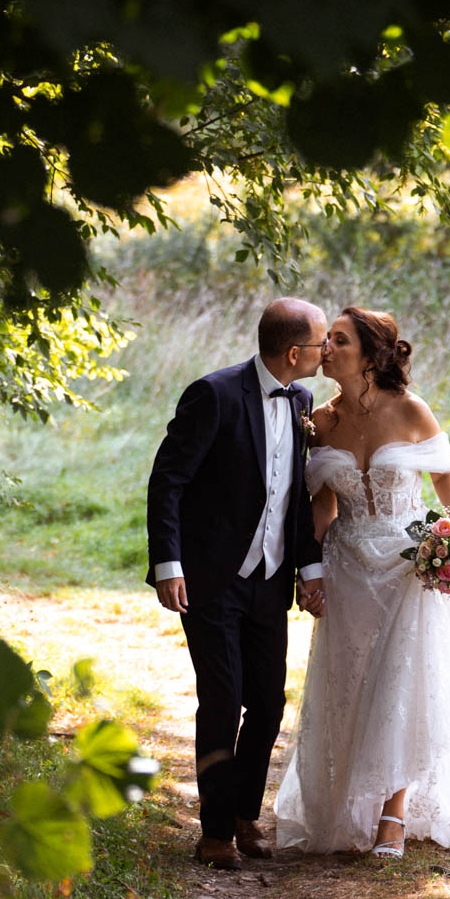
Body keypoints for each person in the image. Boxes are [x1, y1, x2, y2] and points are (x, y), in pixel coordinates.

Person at [273, 306, 450, 857]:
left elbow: (448, 484)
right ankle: (347, 803)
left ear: (370, 352)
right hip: (346, 568)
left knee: (399, 683)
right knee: (351, 682)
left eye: (338, 339)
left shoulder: (410, 411)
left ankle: (393, 813)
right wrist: (303, 570)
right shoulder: (322, 421)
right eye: (325, 339)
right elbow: (323, 505)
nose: (325, 348)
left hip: (408, 566)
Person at [146, 299, 328, 869]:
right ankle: (215, 830)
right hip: (210, 580)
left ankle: (246, 813)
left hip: (270, 581)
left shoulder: (302, 400)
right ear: (294, 351)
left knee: (269, 704)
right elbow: (167, 481)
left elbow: (293, 496)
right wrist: (168, 564)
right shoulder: (215, 394)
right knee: (221, 702)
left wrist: (310, 568)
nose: (327, 352)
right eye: (323, 343)